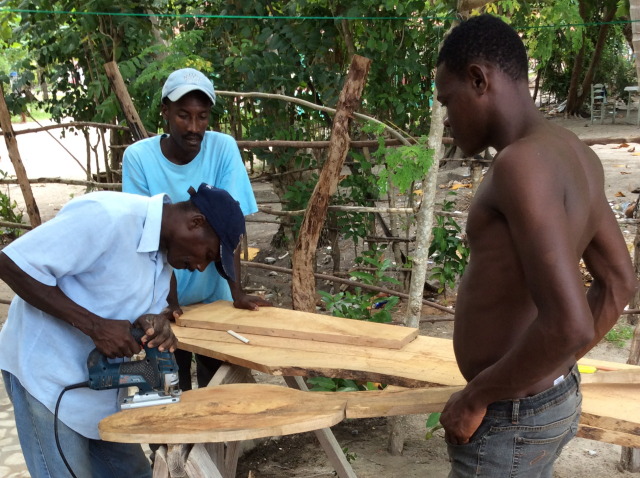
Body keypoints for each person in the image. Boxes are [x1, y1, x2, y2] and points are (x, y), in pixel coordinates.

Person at [434, 14, 637, 478]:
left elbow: (570, 325)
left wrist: (476, 397)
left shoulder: (519, 165)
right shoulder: (575, 152)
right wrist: (548, 376)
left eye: (449, 101)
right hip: (547, 401)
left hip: (510, 419)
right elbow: (619, 283)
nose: (447, 118)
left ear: (478, 79)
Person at [0, 183, 247, 478]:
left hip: (99, 389)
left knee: (136, 474)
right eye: (207, 254)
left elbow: (147, 311)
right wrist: (95, 326)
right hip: (47, 380)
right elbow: (12, 263)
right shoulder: (108, 217)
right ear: (196, 222)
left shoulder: (163, 254)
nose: (200, 266)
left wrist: (156, 323)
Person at [122, 67, 270, 391]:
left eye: (202, 116)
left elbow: (228, 229)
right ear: (165, 111)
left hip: (213, 296)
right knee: (171, 386)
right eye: (183, 116)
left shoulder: (222, 148)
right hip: (160, 301)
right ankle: (177, 445)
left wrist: (237, 293)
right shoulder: (139, 158)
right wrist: (168, 301)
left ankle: (209, 445)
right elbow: (150, 238)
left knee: (216, 384)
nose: (193, 127)